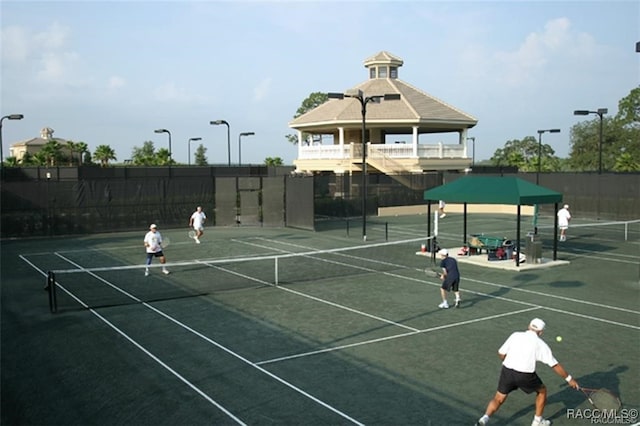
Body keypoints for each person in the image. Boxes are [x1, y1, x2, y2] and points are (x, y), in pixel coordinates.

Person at [475, 318, 579, 426]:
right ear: (541, 332)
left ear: (529, 326)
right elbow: (554, 365)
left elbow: (501, 353)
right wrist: (569, 379)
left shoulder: (515, 335)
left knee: (498, 398)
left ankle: (484, 419)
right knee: (542, 391)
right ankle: (537, 422)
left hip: (507, 371)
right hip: (525, 375)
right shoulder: (541, 344)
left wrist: (507, 361)